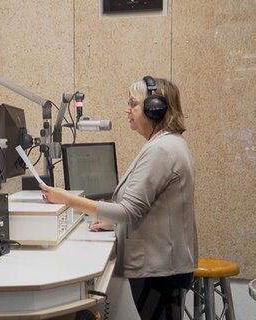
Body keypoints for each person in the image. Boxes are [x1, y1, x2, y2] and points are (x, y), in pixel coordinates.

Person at [40, 76, 197, 320]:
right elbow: (150, 208)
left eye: (133, 103)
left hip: (160, 271)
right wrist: (112, 222)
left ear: (154, 109)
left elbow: (127, 211)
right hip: (164, 267)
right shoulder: (165, 144)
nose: (128, 109)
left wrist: (66, 199)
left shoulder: (161, 150)